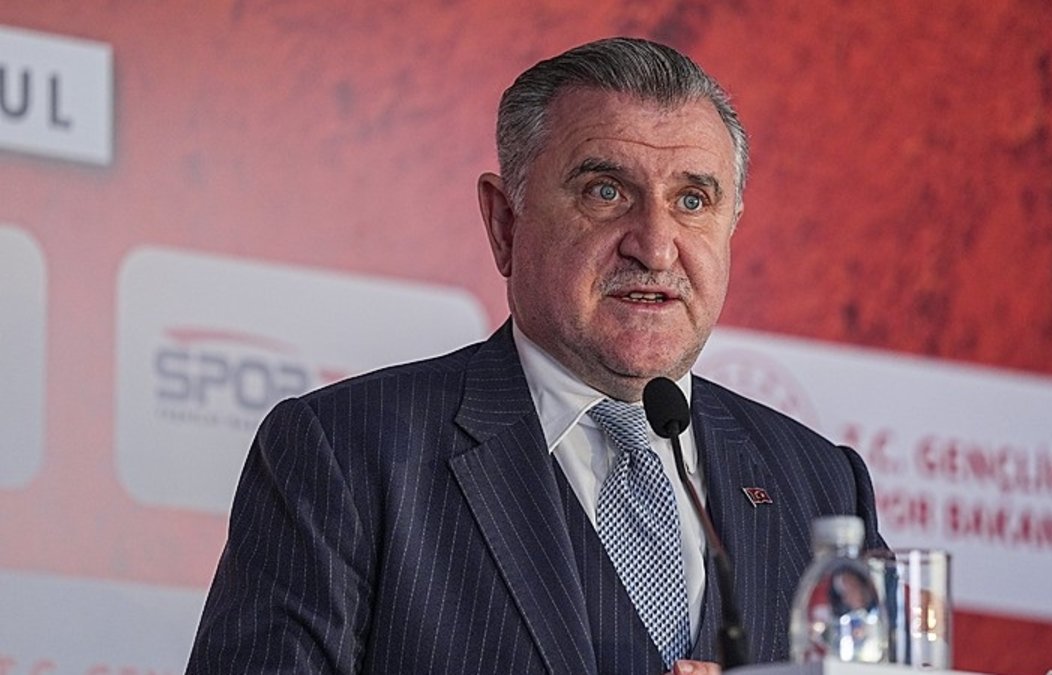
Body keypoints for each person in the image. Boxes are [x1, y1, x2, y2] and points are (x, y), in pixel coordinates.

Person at [187, 37, 885, 674]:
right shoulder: (346, 452)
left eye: (693, 200)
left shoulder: (821, 483)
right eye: (605, 192)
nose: (654, 245)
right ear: (505, 223)